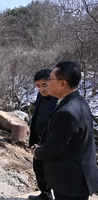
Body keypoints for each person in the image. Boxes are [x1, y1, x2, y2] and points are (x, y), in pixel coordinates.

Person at [32, 61, 98, 200]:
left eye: (50, 79)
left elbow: (54, 147)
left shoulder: (67, 112)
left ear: (62, 84)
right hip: (75, 176)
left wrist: (37, 151)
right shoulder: (77, 101)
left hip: (71, 181)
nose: (47, 83)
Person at [28, 69, 58, 200]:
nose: (41, 89)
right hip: (38, 140)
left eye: (44, 85)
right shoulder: (40, 96)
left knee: (54, 172)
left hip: (52, 142)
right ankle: (45, 195)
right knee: (39, 170)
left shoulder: (59, 99)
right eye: (38, 86)